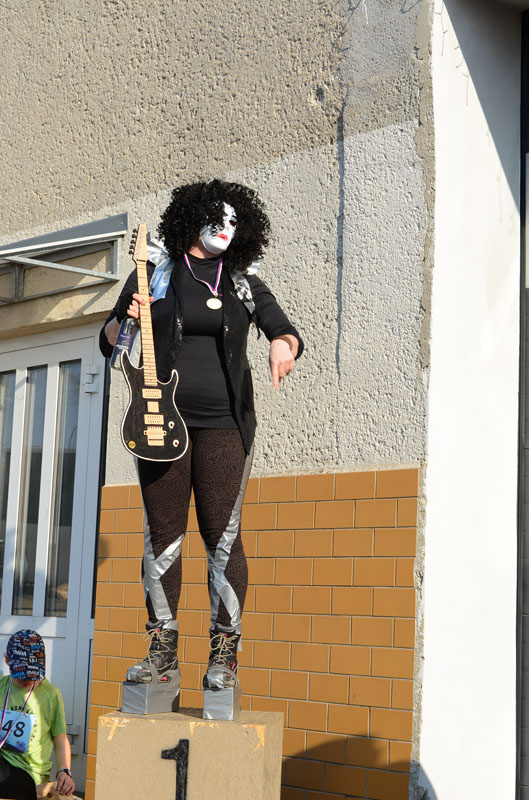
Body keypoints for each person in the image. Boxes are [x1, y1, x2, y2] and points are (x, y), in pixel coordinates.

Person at [100, 179, 303, 693]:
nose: (225, 228)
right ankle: (162, 651)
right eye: (217, 218)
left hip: (225, 425)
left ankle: (224, 655)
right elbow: (109, 339)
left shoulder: (241, 281)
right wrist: (124, 321)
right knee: (163, 536)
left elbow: (282, 327)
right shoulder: (153, 273)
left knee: (223, 536)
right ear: (191, 219)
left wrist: (283, 344)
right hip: (157, 419)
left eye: (235, 221)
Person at [0, 630, 75, 800]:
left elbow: (60, 738)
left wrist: (64, 771)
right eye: (22, 675)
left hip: (29, 775)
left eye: (32, 674)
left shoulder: (51, 694)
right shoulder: (2, 686)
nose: (27, 680)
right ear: (7, 661)